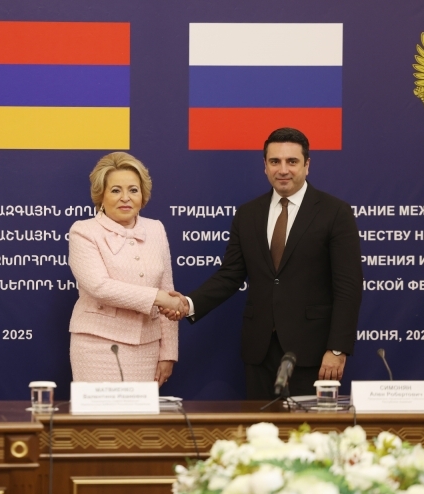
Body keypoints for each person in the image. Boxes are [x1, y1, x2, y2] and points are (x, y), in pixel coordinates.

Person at [165, 127, 362, 399]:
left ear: (307, 165)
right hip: (259, 351)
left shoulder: (335, 212)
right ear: (265, 166)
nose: (283, 170)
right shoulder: (248, 214)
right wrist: (189, 304)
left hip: (313, 352)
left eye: (292, 161)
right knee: (261, 425)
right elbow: (230, 275)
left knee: (308, 426)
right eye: (275, 161)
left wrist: (337, 349)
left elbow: (348, 287)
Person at [68, 152, 187, 386]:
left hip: (147, 348)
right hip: (97, 345)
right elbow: (99, 287)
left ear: (143, 195)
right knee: (100, 411)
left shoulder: (156, 229)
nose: (125, 198)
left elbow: (168, 290)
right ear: (101, 195)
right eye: (115, 190)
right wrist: (159, 298)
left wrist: (168, 353)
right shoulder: (83, 231)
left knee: (139, 412)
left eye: (133, 190)